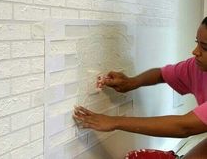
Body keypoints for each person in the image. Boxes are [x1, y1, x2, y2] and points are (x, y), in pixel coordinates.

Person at [73, 17, 207, 158]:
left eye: (204, 47)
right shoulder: (197, 67)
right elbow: (161, 74)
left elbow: (184, 127)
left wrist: (114, 122)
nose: (195, 51)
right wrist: (132, 82)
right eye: (197, 43)